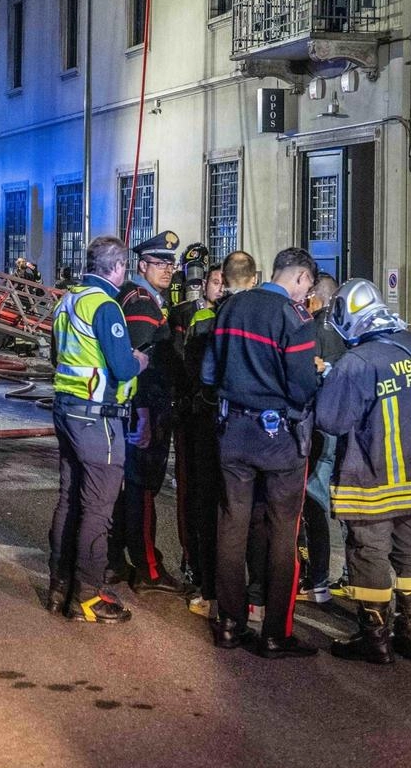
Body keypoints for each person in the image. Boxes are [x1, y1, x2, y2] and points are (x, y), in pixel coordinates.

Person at [203, 247, 321, 658]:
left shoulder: (231, 308)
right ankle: (275, 633)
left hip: (232, 431)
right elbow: (303, 386)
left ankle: (230, 625)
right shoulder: (295, 319)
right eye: (307, 286)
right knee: (282, 531)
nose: (307, 295)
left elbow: (208, 372)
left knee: (232, 526)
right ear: (302, 278)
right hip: (279, 439)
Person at [316, 279, 411, 664]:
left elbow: (331, 420)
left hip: (371, 476)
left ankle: (375, 639)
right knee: (410, 555)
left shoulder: (356, 363)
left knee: (368, 553)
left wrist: (327, 378)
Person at [47, 235, 149, 623]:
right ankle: (88, 596)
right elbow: (122, 367)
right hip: (98, 416)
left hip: (66, 410)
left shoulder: (67, 300)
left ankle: (59, 585)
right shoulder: (106, 306)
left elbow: (58, 355)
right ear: (118, 267)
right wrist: (140, 359)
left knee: (69, 499)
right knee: (99, 508)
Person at [110, 230, 183, 594]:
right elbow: (137, 362)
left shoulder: (147, 298)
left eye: (171, 263)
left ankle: (116, 559)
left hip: (147, 407)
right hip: (145, 407)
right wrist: (140, 414)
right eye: (159, 263)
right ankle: (147, 568)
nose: (167, 269)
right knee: (141, 487)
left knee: (133, 487)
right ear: (142, 266)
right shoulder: (141, 302)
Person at [171, 261, 224, 616]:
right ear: (204, 285)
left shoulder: (227, 319)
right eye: (215, 282)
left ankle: (216, 576)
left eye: (224, 282)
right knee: (194, 497)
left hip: (218, 425)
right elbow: (179, 362)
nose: (219, 288)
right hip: (193, 420)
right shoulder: (187, 315)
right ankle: (194, 565)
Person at [298, 273, 347, 603]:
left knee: (312, 503)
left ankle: (316, 581)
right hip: (343, 427)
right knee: (339, 505)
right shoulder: (347, 332)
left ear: (315, 295)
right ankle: (347, 576)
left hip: (317, 425)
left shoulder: (312, 326)